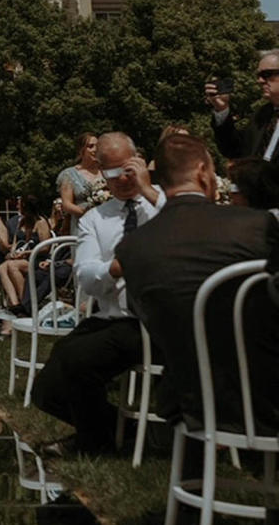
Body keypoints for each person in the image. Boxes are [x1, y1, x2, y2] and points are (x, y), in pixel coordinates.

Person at [115, 131, 279, 432]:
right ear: (204, 172)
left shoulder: (132, 248)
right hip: (268, 398)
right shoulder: (256, 226)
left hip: (188, 402)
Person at [31, 132, 164, 455]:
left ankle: (94, 443)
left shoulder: (164, 201)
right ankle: (125, 430)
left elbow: (191, 224)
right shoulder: (96, 219)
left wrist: (147, 189)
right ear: (101, 172)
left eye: (128, 169)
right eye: (113, 172)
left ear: (140, 163)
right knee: (46, 389)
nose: (122, 180)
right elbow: (87, 276)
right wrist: (115, 268)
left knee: (78, 361)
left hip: (162, 320)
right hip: (115, 316)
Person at [206, 53, 279, 167]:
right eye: (258, 75)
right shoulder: (261, 115)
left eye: (266, 74)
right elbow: (235, 150)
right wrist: (221, 109)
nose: (260, 81)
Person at [0, 195, 52, 313]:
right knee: (2, 267)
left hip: (37, 259)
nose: (17, 206)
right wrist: (12, 253)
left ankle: (26, 303)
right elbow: (16, 242)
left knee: (12, 266)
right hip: (22, 258)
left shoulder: (41, 222)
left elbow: (46, 247)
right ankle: (15, 303)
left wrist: (26, 253)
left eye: (20, 204)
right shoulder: (22, 221)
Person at [56, 133, 102, 234]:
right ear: (81, 150)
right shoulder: (69, 174)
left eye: (98, 146)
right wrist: (87, 213)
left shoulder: (106, 172)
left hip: (106, 223)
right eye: (91, 146)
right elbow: (67, 204)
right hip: (82, 226)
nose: (95, 149)